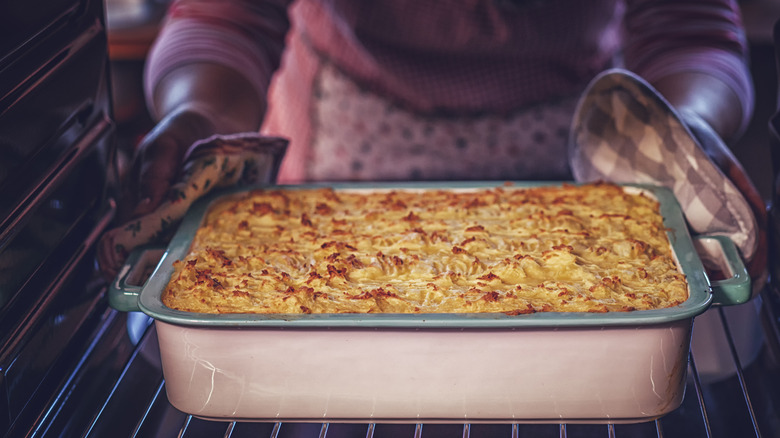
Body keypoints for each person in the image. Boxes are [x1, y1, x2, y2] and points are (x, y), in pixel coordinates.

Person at [120, 0, 757, 221]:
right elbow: (226, 18)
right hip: (342, 152)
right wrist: (197, 116)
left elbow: (688, 30)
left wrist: (685, 126)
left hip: (573, 154)